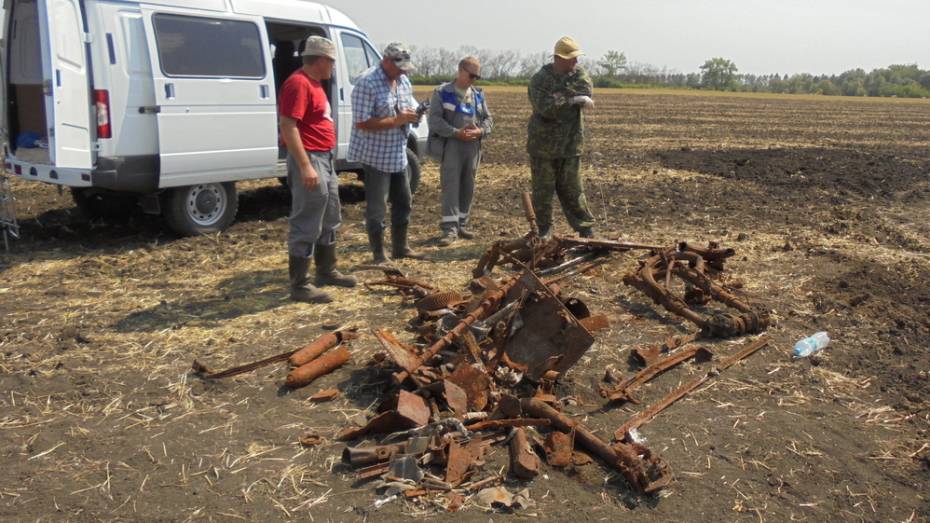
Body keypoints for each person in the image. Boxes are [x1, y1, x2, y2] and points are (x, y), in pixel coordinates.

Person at [279, 36, 356, 304]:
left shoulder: (315, 84)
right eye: (333, 61)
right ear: (322, 60)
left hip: (325, 158)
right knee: (307, 219)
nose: (334, 67)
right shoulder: (298, 84)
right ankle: (300, 284)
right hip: (311, 158)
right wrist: (305, 166)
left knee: (330, 214)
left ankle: (327, 270)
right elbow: (288, 126)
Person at [348, 42, 421, 263]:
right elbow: (362, 123)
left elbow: (405, 111)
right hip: (375, 155)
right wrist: (397, 120)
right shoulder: (367, 83)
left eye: (405, 68)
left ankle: (401, 247)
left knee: (403, 201)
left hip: (398, 152)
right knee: (377, 207)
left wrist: (414, 116)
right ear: (386, 61)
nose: (403, 72)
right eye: (399, 67)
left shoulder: (403, 81)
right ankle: (379, 254)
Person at [527, 36, 597, 239]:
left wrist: (561, 97)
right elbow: (544, 107)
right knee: (543, 192)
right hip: (543, 146)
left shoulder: (579, 74)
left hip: (570, 144)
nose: (576, 62)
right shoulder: (539, 79)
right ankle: (544, 231)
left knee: (573, 190)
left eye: (576, 58)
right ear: (559, 58)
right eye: (571, 58)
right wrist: (572, 100)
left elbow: (586, 90)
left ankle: (585, 229)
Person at [427, 56, 493, 246]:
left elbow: (489, 119)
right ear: (460, 70)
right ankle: (449, 230)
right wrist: (456, 133)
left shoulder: (478, 94)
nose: (474, 79)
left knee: (468, 186)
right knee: (451, 186)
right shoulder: (442, 92)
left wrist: (481, 131)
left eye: (477, 77)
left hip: (472, 147)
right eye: (471, 75)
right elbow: (435, 121)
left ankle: (462, 223)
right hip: (452, 146)